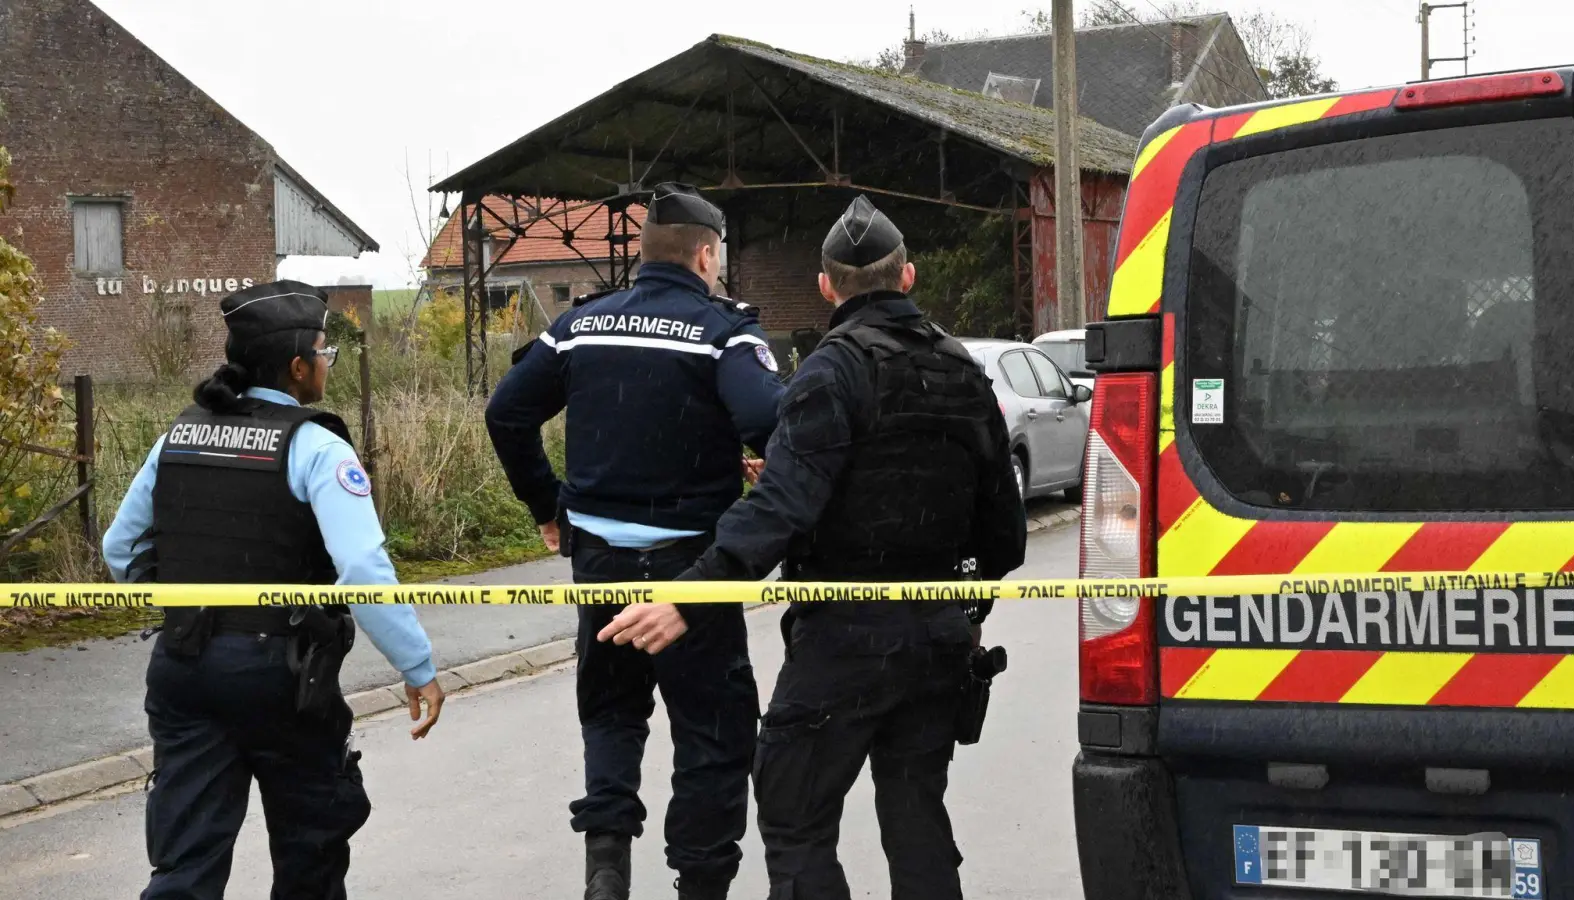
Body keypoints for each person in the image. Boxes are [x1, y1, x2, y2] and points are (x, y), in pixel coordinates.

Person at [671, 195, 1028, 900]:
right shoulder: (965, 371)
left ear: (826, 287)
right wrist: (962, 604)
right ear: (909, 277)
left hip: (843, 639)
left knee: (796, 816)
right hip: (938, 636)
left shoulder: (831, 371)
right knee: (917, 814)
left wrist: (693, 593)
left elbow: (783, 505)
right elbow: (1005, 535)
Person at [484, 183, 784, 900]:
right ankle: (701, 882)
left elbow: (506, 413)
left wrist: (546, 504)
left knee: (613, 713)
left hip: (601, 563)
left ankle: (607, 871)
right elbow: (772, 422)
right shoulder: (724, 333)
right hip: (691, 571)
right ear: (706, 255)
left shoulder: (580, 326)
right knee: (712, 731)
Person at [101, 281, 447, 900]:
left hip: (183, 666)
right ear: (297, 365)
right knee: (308, 856)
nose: (327, 364)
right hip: (282, 678)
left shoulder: (177, 437)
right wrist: (416, 665)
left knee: (183, 865)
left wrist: (188, 601)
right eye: (324, 351)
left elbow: (120, 551)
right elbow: (363, 571)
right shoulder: (315, 446)